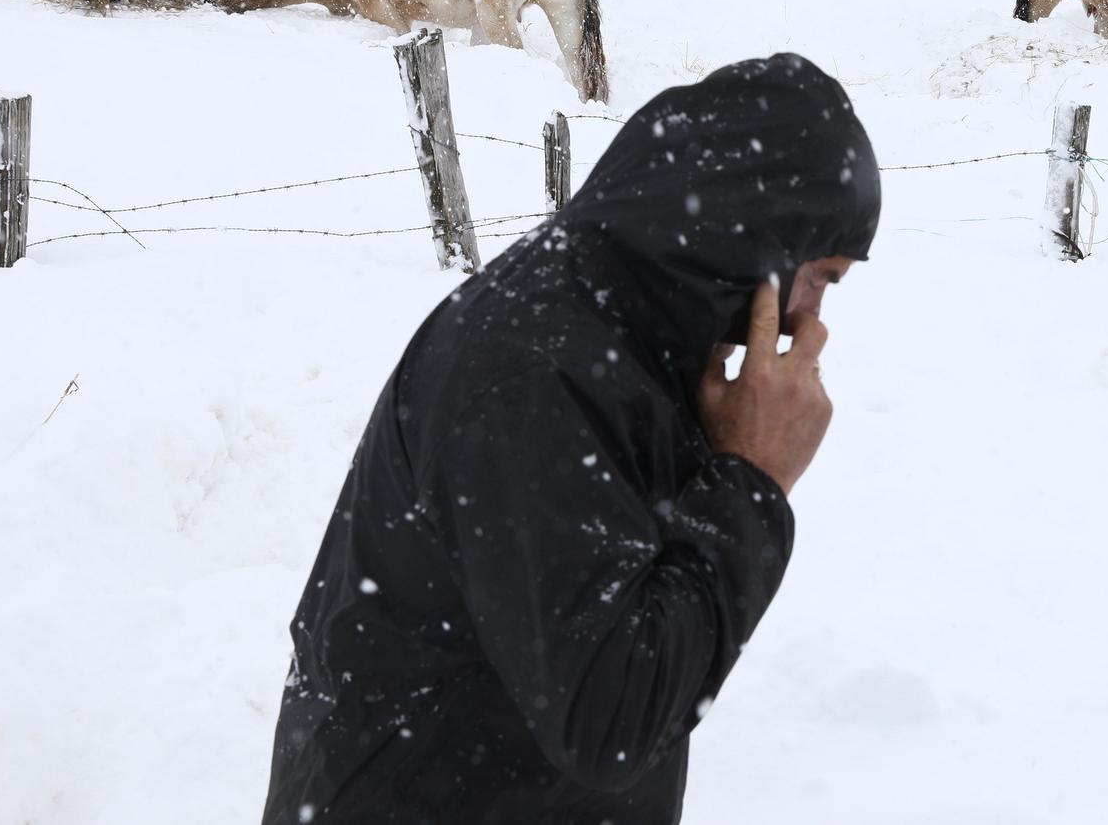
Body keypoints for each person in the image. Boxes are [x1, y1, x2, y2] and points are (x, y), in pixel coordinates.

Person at [261, 53, 881, 824]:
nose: (812, 319)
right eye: (820, 275)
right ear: (750, 240)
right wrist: (750, 481)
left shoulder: (629, 336)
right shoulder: (537, 371)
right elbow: (610, 714)